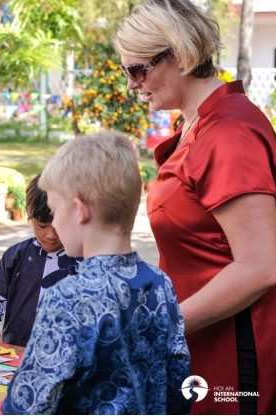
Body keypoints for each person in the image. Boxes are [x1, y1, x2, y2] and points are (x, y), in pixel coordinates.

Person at [114, 1, 276, 413]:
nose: (133, 84)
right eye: (126, 71)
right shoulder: (197, 123)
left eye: (138, 70)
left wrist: (161, 325)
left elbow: (261, 266)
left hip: (234, 354)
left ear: (182, 56)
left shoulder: (228, 132)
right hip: (198, 340)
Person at [2, 132, 191, 415]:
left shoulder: (67, 298)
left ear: (79, 211)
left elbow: (27, 404)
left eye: (53, 211)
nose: (53, 225)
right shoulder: (160, 283)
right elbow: (179, 384)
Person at [0, 174, 80, 347]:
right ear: (29, 216)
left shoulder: (86, 259)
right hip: (18, 352)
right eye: (42, 225)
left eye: (59, 225)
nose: (51, 236)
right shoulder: (15, 256)